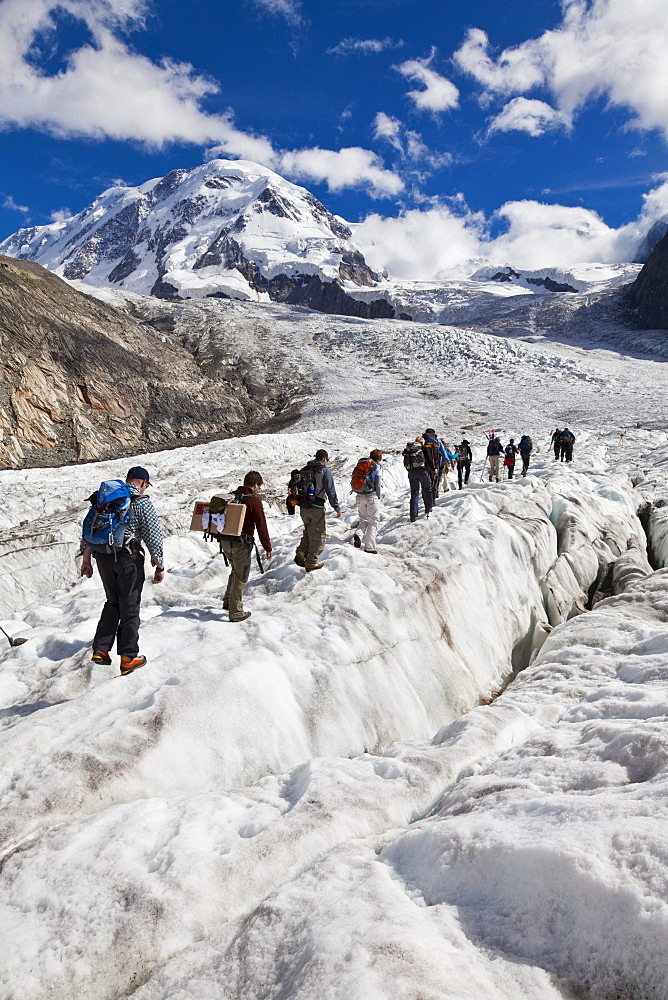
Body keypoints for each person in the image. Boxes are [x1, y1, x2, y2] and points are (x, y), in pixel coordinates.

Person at [81, 466, 164, 676]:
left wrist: (86, 560)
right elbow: (153, 535)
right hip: (128, 558)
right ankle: (128, 657)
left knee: (112, 601)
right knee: (130, 604)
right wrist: (159, 564)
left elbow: (92, 529)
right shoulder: (141, 502)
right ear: (144, 483)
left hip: (102, 556)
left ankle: (101, 650)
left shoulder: (105, 499)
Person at [221, 471, 272, 622]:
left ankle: (228, 600)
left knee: (236, 570)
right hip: (241, 543)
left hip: (225, 541)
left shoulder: (231, 497)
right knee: (241, 576)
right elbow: (261, 526)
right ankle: (236, 611)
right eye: (259, 487)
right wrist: (268, 547)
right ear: (255, 485)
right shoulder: (254, 501)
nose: (258, 490)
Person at [295, 449, 342, 571]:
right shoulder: (324, 471)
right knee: (319, 535)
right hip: (317, 508)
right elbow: (330, 491)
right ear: (324, 459)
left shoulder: (304, 470)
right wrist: (336, 507)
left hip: (303, 507)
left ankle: (301, 551)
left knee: (309, 531)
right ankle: (311, 562)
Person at [353, 449, 382, 553]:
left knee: (363, 519)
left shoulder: (362, 465)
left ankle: (359, 534)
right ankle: (369, 547)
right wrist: (378, 495)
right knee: (373, 522)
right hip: (371, 496)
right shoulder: (377, 466)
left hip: (360, 496)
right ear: (379, 457)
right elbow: (378, 483)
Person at [403, 437, 433, 522]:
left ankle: (413, 515)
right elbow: (430, 459)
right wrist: (433, 469)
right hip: (422, 471)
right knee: (427, 489)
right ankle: (428, 507)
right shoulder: (423, 448)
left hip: (412, 472)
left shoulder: (409, 450)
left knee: (414, 493)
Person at [422, 428, 448, 498]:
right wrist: (446, 460)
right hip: (436, 463)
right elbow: (443, 451)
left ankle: (426, 497)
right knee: (436, 479)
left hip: (425, 464)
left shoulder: (423, 441)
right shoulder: (437, 441)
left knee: (426, 481)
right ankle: (434, 494)